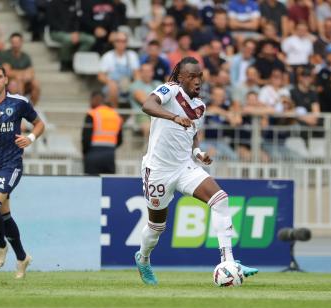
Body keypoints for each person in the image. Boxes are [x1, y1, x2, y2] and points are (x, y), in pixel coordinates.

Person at [134, 57, 258, 285]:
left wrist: (198, 152)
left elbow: (192, 133)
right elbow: (148, 105)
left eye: (199, 76)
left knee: (220, 199)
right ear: (180, 78)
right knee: (156, 227)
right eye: (191, 76)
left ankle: (228, 262)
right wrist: (173, 116)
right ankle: (143, 259)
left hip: (184, 167)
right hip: (159, 170)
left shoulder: (199, 106)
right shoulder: (169, 90)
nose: (197, 80)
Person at [0, 63, 45, 278]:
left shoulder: (19, 102)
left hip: (11, 164)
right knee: (4, 215)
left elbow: (39, 124)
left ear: (5, 80)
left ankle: (0, 244)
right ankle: (22, 257)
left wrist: (30, 138)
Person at [81, 91, 123, 175]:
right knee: (109, 184)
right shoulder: (115, 115)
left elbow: (86, 137)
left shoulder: (92, 114)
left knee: (91, 184)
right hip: (110, 155)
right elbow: (120, 140)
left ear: (94, 99)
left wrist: (84, 153)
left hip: (92, 154)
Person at [0, 33, 40, 105]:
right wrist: (21, 74)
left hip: (24, 81)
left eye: (17, 42)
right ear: (11, 43)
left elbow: (31, 72)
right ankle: (17, 107)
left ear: (21, 42)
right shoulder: (4, 54)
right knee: (14, 83)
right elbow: (6, 72)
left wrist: (21, 76)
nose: (15, 45)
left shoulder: (25, 56)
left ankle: (31, 107)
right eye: (13, 42)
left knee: (36, 83)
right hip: (8, 81)